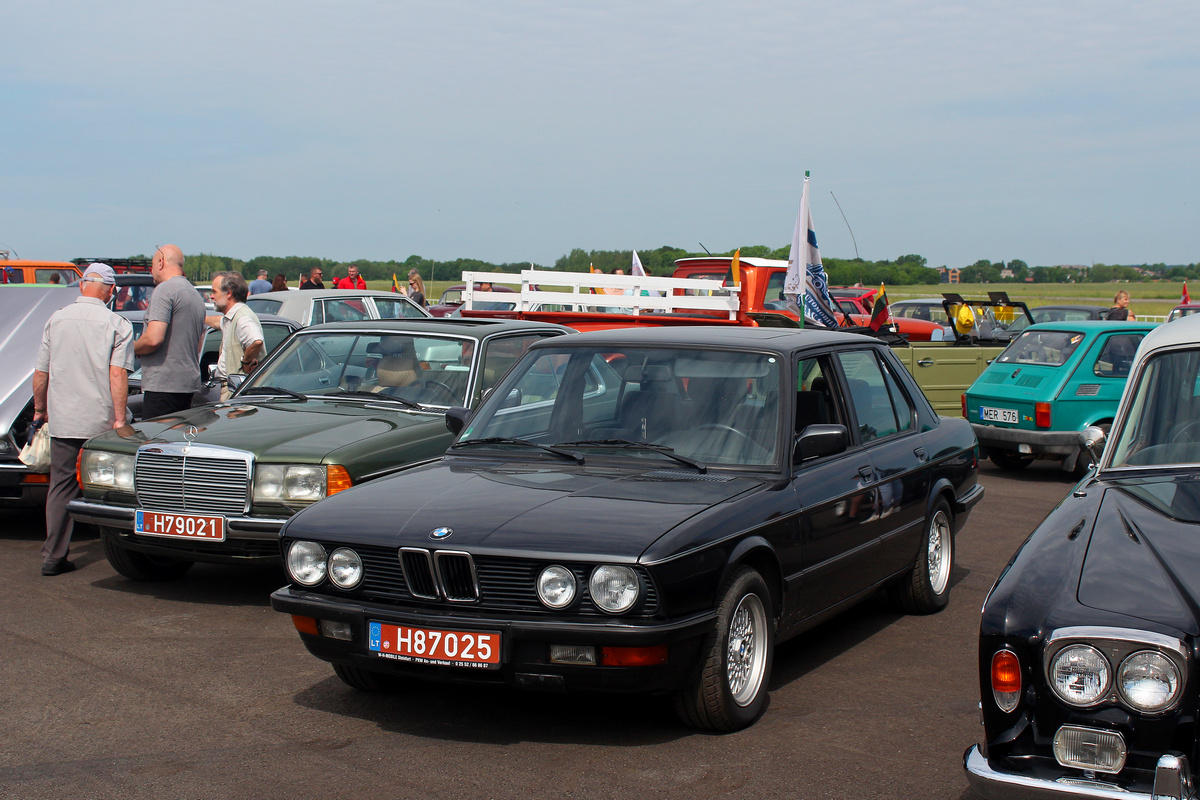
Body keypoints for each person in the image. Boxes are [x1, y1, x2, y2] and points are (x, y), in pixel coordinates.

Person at [32, 263, 135, 576]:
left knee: (60, 485)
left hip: (64, 418)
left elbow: (41, 373)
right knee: (109, 485)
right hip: (100, 420)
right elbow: (117, 374)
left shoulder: (56, 319)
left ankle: (53, 555)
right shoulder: (118, 323)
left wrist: (40, 409)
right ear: (111, 291)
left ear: (81, 286)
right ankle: (121, 548)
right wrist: (120, 419)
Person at [134, 245, 206, 418]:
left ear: (161, 262)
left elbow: (153, 339)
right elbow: (198, 343)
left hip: (163, 384)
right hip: (187, 383)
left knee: (157, 442)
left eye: (151, 265)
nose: (151, 271)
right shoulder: (194, 294)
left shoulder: (165, 289)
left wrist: (132, 348)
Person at [205, 271, 264, 401]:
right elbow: (218, 322)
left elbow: (257, 341)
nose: (212, 297)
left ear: (229, 293)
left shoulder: (242, 318)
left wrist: (246, 361)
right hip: (234, 389)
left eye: (214, 292)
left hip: (237, 390)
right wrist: (199, 317)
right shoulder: (232, 317)